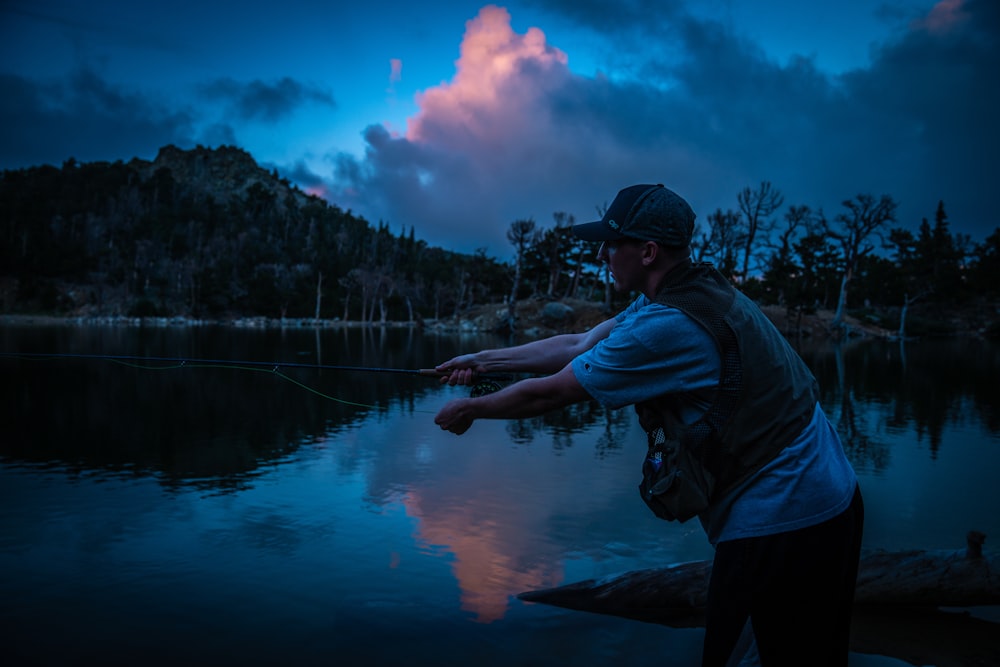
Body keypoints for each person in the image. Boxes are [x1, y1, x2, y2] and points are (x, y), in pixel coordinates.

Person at [433, 183, 863, 667]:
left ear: (648, 251)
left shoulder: (668, 327)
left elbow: (553, 391)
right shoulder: (686, 290)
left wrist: (470, 409)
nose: (602, 253)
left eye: (612, 243)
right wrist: (480, 361)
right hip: (824, 497)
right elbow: (576, 345)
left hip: (788, 518)